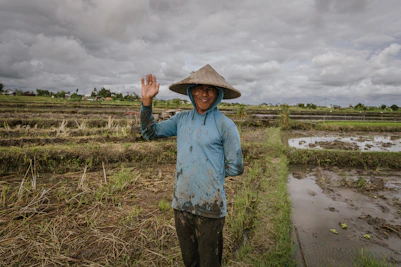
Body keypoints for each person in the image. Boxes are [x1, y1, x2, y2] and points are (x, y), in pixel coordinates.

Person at [140, 64, 244, 267]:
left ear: (218, 94)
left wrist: (209, 173)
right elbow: (149, 133)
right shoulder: (181, 119)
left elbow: (236, 166)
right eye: (199, 88)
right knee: (190, 260)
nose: (204, 94)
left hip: (210, 208)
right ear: (191, 91)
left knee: (209, 261)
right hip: (181, 204)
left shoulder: (225, 125)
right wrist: (146, 102)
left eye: (210, 89)